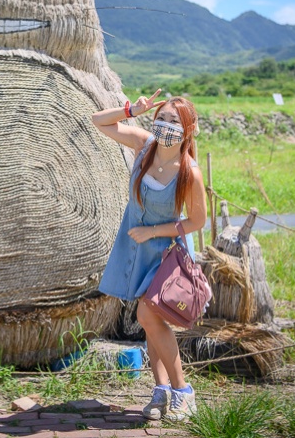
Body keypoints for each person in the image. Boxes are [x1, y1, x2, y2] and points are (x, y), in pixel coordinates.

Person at [92, 89, 207, 421]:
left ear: (189, 129)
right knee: (151, 322)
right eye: (162, 118)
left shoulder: (189, 172)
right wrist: (133, 109)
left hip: (165, 251)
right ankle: (161, 391)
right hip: (136, 247)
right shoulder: (144, 147)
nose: (166, 125)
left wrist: (153, 232)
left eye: (175, 121)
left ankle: (183, 392)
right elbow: (98, 121)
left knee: (148, 317)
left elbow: (197, 222)